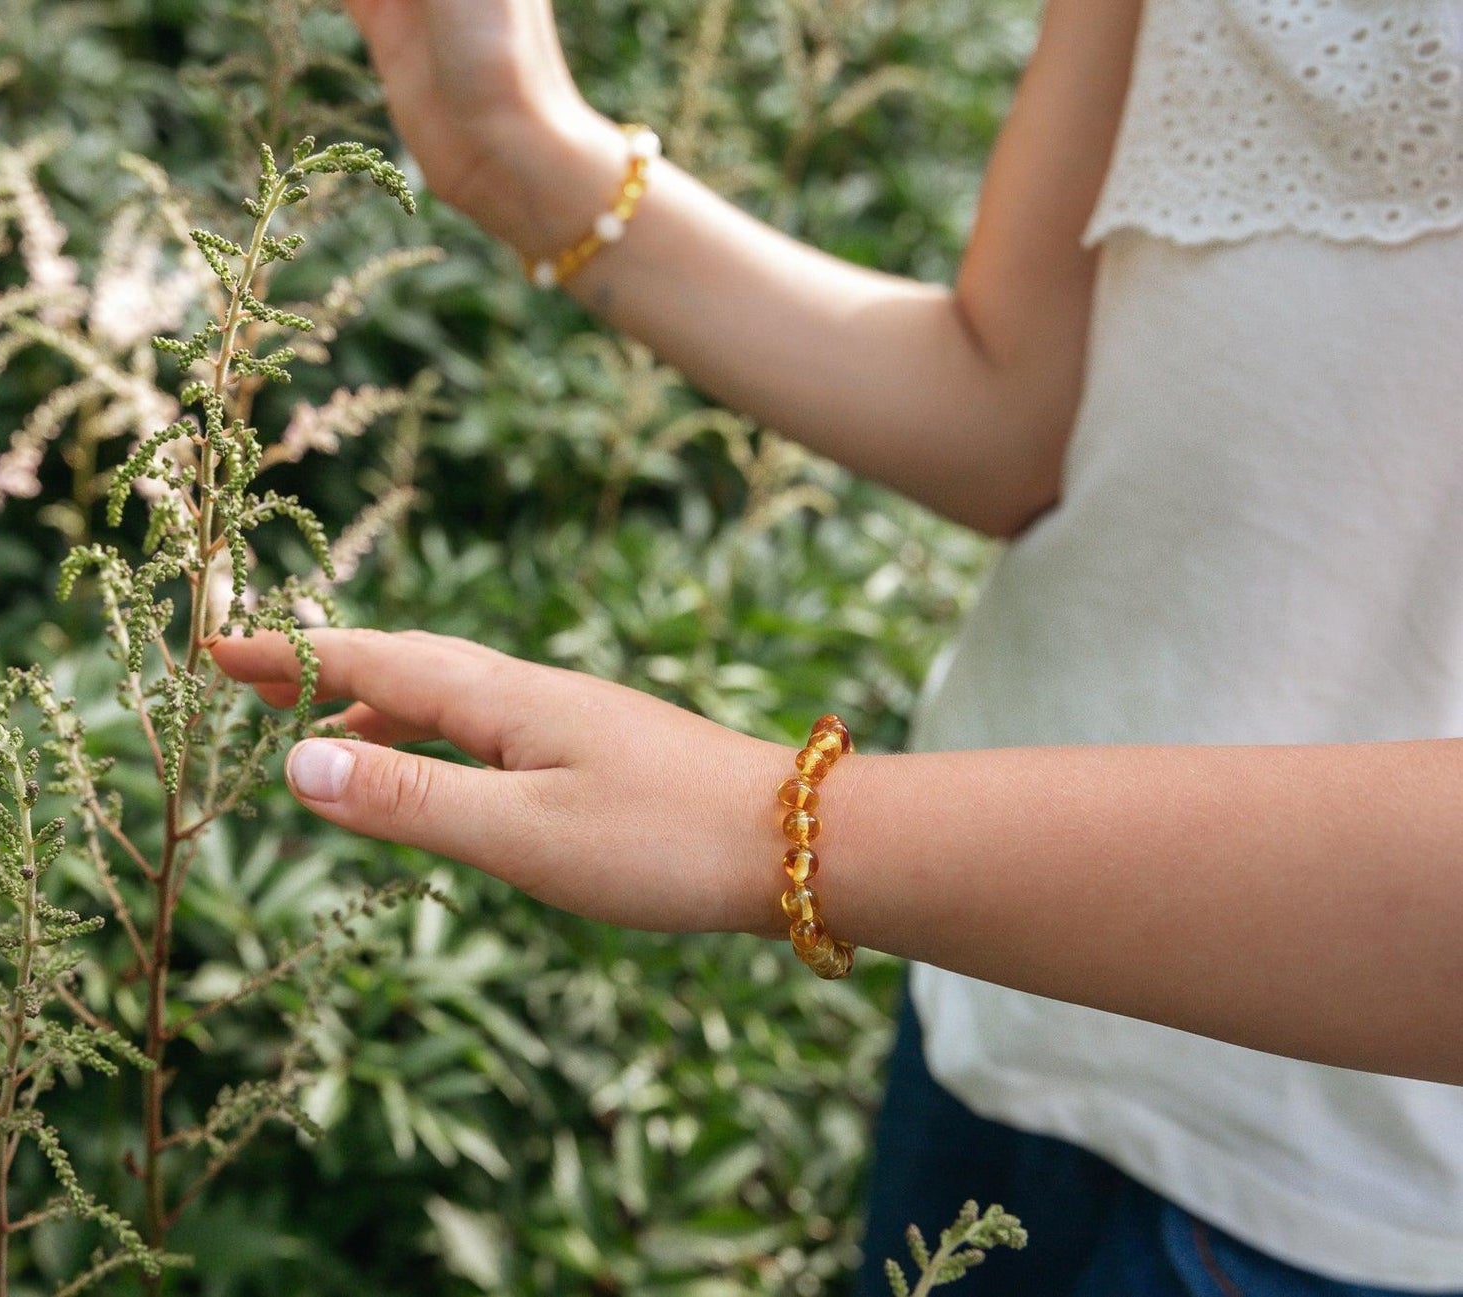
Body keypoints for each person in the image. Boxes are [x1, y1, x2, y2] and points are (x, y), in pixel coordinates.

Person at [210, 0, 1463, 1291]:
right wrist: (521, 152)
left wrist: (775, 826)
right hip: (988, 1018)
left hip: (1342, 1210)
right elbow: (1018, 412)